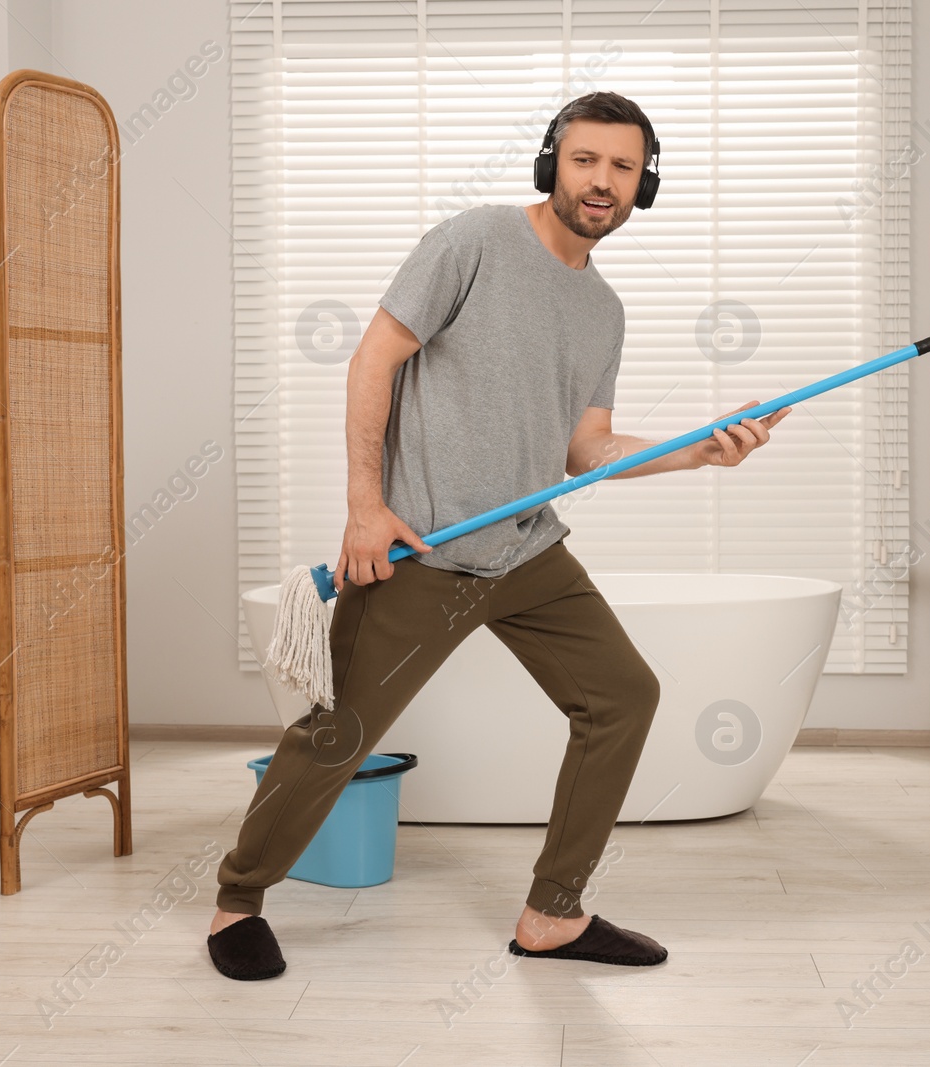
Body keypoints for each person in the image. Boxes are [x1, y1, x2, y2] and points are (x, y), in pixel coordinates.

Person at [207, 90, 789, 981]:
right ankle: (236, 903)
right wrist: (366, 506)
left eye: (623, 168)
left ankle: (553, 914)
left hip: (527, 548)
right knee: (340, 734)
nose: (602, 181)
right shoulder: (472, 242)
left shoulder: (604, 310)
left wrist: (702, 453)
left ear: (645, 185)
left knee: (622, 695)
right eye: (586, 159)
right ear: (553, 160)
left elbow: (586, 449)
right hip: (423, 549)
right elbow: (375, 358)